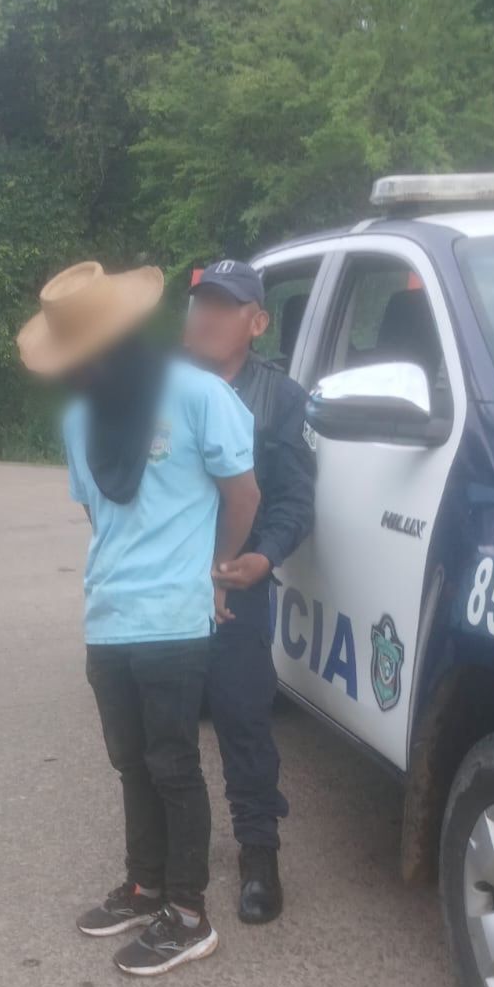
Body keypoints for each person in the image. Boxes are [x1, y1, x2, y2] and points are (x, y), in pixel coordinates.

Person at [18, 260, 259, 975]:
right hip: (110, 617)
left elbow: (242, 495)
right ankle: (145, 884)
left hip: (174, 621)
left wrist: (217, 573)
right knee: (130, 764)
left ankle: (188, 914)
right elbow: (101, 517)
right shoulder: (80, 419)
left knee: (173, 766)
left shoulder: (198, 395)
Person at [184, 259, 316, 924]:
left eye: (224, 305)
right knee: (166, 726)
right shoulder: (163, 388)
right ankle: (168, 863)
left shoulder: (281, 399)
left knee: (242, 717)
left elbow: (294, 498)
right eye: (199, 302)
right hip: (168, 586)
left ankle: (258, 851)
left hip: (237, 584)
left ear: (257, 323)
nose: (205, 315)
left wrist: (262, 558)